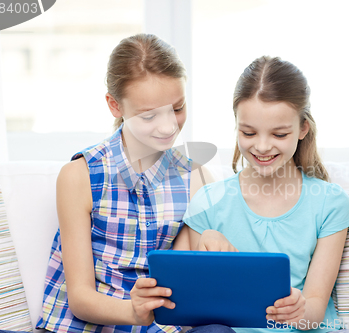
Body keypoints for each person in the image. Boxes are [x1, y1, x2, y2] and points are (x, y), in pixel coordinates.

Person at [17, 33, 231, 333]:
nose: (169, 126)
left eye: (178, 108)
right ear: (115, 106)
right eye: (149, 115)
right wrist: (133, 311)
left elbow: (193, 281)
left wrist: (212, 243)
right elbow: (80, 298)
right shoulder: (80, 175)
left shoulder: (194, 176)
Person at [180, 55, 349, 333]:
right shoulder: (208, 202)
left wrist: (299, 308)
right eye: (249, 133)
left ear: (302, 129)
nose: (262, 147)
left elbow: (314, 309)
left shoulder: (328, 203)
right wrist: (206, 239)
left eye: (279, 134)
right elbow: (188, 305)